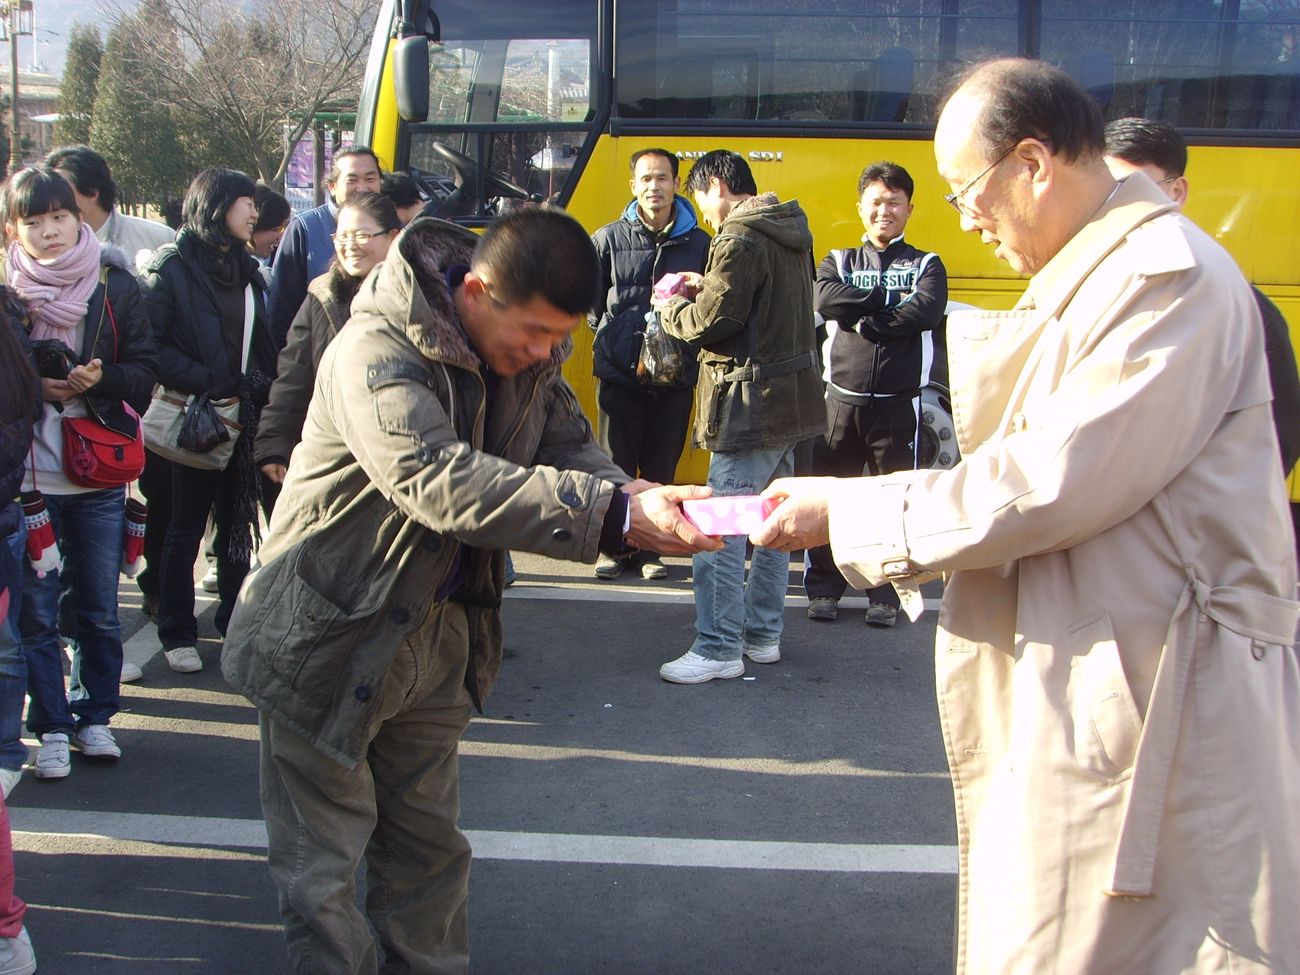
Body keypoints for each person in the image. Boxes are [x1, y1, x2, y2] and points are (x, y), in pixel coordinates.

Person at [753, 58, 1300, 973]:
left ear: (1035, 164)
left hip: (1156, 705)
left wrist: (849, 514)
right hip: (1108, 677)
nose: (964, 217)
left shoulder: (1165, 277)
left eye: (969, 191)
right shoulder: (1110, 260)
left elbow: (1050, 475)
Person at [221, 206, 718, 974]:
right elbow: (436, 478)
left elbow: (570, 446)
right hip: (326, 633)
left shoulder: (523, 355)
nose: (548, 352)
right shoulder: (375, 348)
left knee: (428, 848)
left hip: (437, 633)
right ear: (478, 292)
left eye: (561, 338)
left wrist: (635, 496)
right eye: (538, 333)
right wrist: (614, 515)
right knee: (322, 874)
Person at [650, 150, 824, 683]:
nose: (701, 212)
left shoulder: (739, 236)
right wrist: (707, 285)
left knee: (719, 529)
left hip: (748, 405)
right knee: (770, 524)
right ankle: (762, 635)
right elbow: (764, 308)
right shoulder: (790, 228)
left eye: (699, 197)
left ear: (718, 185)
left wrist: (671, 309)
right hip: (791, 401)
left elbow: (713, 321)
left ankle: (718, 645)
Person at [7, 167, 156, 778]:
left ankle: (95, 715)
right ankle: (52, 728)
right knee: (36, 614)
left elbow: (146, 375)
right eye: (33, 221)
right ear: (14, 228)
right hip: (27, 479)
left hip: (98, 474)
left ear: (79, 217)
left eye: (59, 217)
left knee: (97, 605)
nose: (48, 231)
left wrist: (104, 380)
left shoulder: (115, 285)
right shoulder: (6, 293)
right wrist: (31, 387)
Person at [1101, 116, 1300, 474]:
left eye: (1138, 189)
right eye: (1110, 191)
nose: (1120, 207)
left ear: (1177, 192)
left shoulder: (1244, 304)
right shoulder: (1093, 290)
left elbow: (1278, 437)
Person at [141, 168, 277, 675]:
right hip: (195, 415)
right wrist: (210, 377)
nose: (253, 213)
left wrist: (265, 383)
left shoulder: (246, 266)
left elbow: (263, 338)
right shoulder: (171, 267)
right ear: (218, 207)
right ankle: (176, 630)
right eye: (246, 203)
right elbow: (151, 348)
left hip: (243, 413)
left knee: (238, 524)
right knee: (185, 526)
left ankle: (232, 623)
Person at [805, 161, 948, 627]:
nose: (884, 210)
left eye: (894, 202)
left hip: (899, 407)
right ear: (861, 208)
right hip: (839, 404)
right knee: (832, 501)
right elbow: (826, 299)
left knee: (893, 507)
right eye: (876, 202)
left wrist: (863, 316)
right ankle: (824, 589)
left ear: (909, 208)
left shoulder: (926, 263)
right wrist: (888, 300)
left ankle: (885, 597)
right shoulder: (839, 259)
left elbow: (924, 312)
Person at [589, 147, 710, 581]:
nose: (653, 187)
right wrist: (615, 337)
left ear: (676, 184)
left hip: (675, 375)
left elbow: (712, 301)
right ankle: (613, 547)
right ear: (633, 185)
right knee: (615, 464)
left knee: (661, 466)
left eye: (662, 178)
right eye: (645, 179)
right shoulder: (608, 238)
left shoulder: (699, 243)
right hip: (620, 374)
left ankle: (650, 551)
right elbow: (589, 297)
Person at [255, 192, 402, 484]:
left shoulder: (419, 298)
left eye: (362, 235)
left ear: (393, 237)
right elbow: (293, 374)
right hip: (336, 457)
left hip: (398, 455)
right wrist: (274, 442)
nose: (349, 246)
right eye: (342, 236)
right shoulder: (322, 296)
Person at [268, 146, 382, 347]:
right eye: (352, 180)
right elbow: (281, 311)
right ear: (332, 187)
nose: (362, 187)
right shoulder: (304, 228)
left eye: (370, 179)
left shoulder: (394, 228)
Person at [46, 145, 175, 272]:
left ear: (92, 192)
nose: (54, 197)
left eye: (62, 189)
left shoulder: (160, 238)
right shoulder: (47, 248)